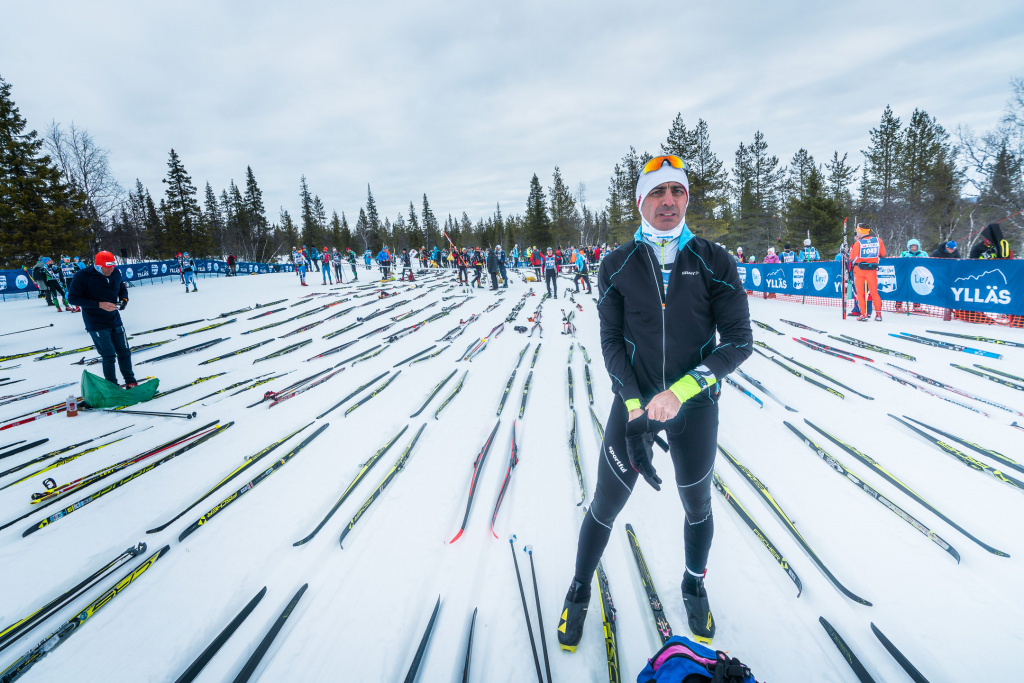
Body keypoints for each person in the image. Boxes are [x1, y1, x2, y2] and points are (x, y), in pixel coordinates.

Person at [558, 156, 751, 650]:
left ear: (687, 198)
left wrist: (681, 392)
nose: (668, 201)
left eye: (677, 191)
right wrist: (636, 404)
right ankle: (579, 589)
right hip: (636, 403)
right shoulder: (616, 263)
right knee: (605, 504)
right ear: (640, 201)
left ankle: (693, 582)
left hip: (694, 407)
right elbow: (611, 342)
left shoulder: (715, 259)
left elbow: (738, 340)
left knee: (697, 504)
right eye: (657, 191)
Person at [68, 251, 137, 388]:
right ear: (98, 266)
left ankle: (130, 380)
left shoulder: (115, 272)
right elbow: (73, 298)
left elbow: (122, 289)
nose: (111, 270)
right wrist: (99, 304)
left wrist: (124, 300)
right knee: (109, 355)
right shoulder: (83, 276)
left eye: (112, 267)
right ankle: (112, 386)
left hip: (114, 318)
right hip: (96, 322)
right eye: (108, 267)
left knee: (124, 351)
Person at [850, 223, 885, 321]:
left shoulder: (859, 243)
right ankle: (878, 315)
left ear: (860, 231)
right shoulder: (878, 240)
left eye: (857, 231)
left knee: (860, 293)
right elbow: (883, 254)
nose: (857, 233)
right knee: (874, 292)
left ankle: (863, 314)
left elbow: (851, 258)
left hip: (860, 270)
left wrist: (844, 252)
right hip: (872, 270)